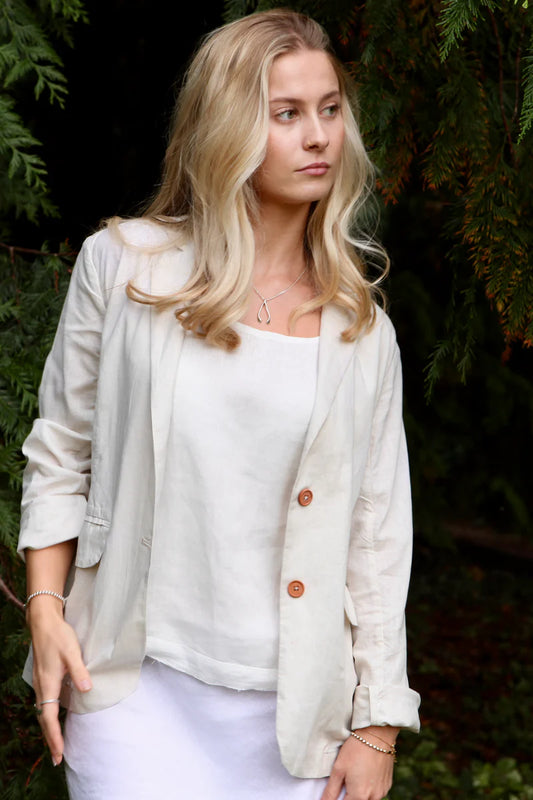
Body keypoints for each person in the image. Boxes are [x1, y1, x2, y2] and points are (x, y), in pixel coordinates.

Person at [18, 9, 421, 800]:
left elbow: (376, 538)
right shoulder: (124, 269)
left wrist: (376, 723)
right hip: (133, 692)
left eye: (330, 109)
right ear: (227, 127)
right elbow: (60, 449)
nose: (318, 138)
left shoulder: (361, 330)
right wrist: (44, 609)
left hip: (295, 718)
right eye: (287, 114)